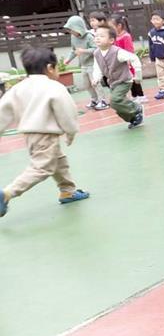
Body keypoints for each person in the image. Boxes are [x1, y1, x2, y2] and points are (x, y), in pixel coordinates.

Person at [0, 47, 89, 218]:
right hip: (46, 135)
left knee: (58, 160)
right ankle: (7, 193)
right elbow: (67, 111)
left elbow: (3, 111)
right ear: (49, 68)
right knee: (41, 168)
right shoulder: (54, 87)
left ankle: (67, 190)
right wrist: (71, 132)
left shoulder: (18, 88)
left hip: (29, 136)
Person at [92, 24, 144, 129]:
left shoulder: (117, 52)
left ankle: (136, 108)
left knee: (114, 100)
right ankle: (133, 118)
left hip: (124, 81)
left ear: (111, 40)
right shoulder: (96, 53)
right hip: (113, 83)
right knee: (116, 105)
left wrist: (138, 74)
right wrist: (96, 78)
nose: (97, 38)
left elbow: (134, 58)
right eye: (96, 36)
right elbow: (97, 67)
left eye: (101, 36)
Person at [63, 15, 107, 110]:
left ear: (78, 27)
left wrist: (83, 51)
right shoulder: (73, 37)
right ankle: (94, 100)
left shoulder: (89, 36)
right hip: (83, 65)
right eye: (69, 29)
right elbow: (74, 50)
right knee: (87, 85)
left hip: (92, 64)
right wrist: (68, 59)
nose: (70, 31)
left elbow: (96, 49)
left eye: (71, 29)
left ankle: (103, 101)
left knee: (95, 83)